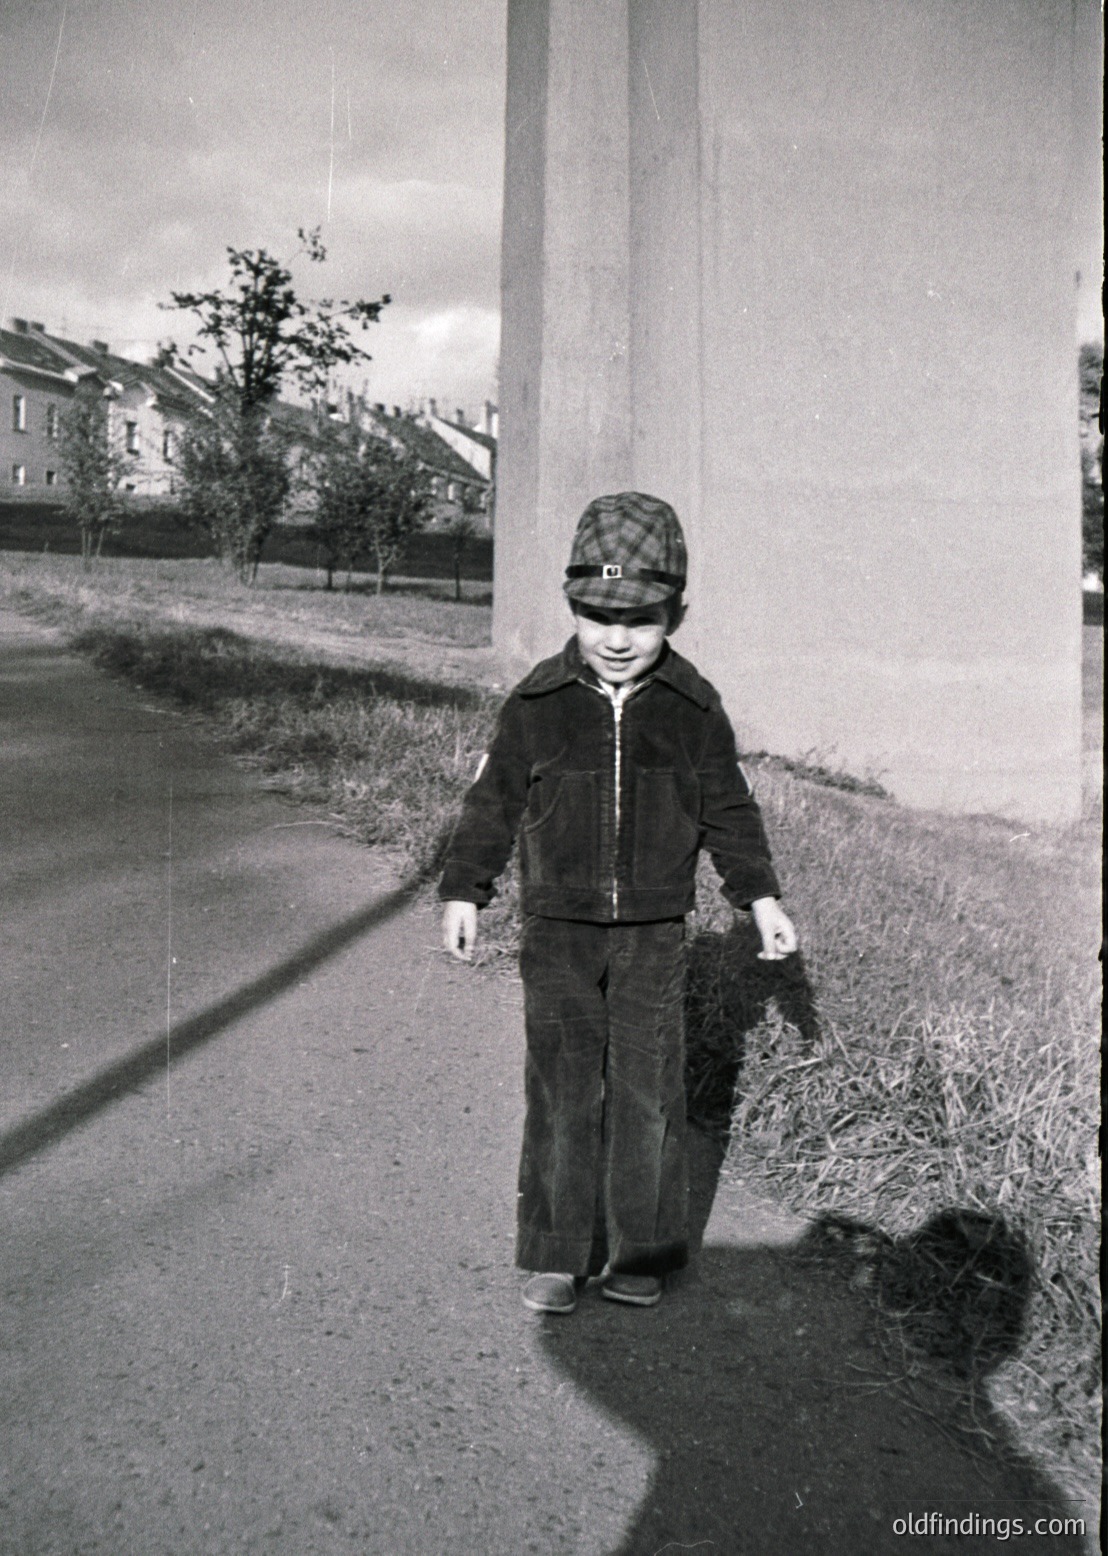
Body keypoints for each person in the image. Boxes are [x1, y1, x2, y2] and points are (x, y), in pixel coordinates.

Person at [439, 491, 797, 1314]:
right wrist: (464, 890)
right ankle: (557, 1252)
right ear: (573, 608)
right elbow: (490, 804)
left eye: (639, 619)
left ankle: (643, 1250)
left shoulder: (692, 710)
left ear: (677, 613)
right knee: (562, 1087)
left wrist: (761, 897)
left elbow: (728, 811)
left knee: (648, 1092)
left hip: (652, 934)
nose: (616, 639)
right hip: (557, 932)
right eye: (597, 616)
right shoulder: (537, 703)